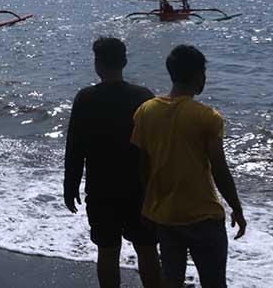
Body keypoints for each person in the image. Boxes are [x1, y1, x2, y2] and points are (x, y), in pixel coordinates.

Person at [131, 45, 246, 288]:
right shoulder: (207, 116)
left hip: (166, 216)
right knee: (214, 282)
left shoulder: (146, 111)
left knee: (172, 280)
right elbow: (219, 169)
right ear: (198, 76)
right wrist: (236, 208)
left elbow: (143, 166)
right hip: (203, 215)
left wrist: (147, 205)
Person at [64, 38, 162, 288]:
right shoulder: (143, 96)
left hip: (101, 189)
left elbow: (75, 147)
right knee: (148, 251)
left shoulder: (85, 98)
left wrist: (70, 185)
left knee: (107, 252)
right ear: (125, 62)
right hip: (138, 189)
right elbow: (155, 148)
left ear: (97, 64)